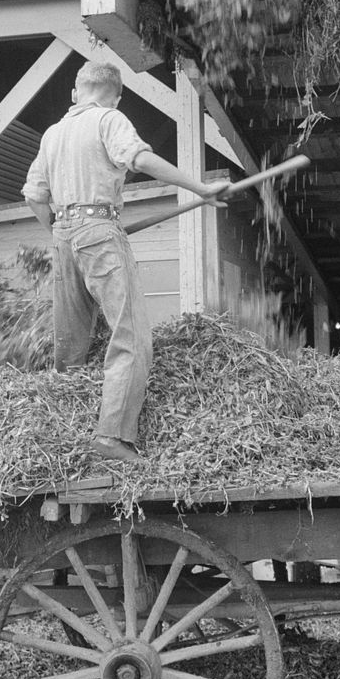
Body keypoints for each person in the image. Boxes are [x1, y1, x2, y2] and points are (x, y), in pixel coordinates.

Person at [23, 60, 229, 463]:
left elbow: (34, 195)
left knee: (71, 342)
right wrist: (200, 187)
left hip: (63, 237)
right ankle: (111, 436)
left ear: (75, 93)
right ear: (116, 95)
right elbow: (141, 160)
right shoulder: (109, 119)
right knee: (130, 337)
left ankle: (61, 429)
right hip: (100, 232)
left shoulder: (53, 134)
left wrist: (64, 231)